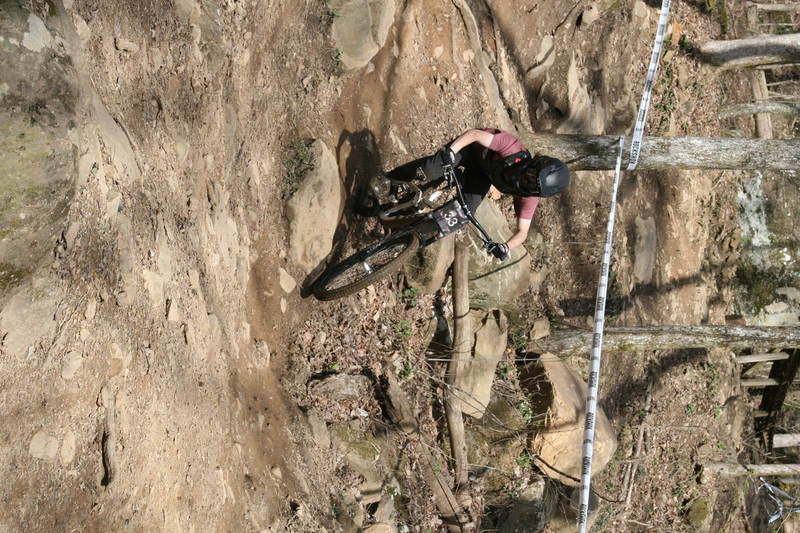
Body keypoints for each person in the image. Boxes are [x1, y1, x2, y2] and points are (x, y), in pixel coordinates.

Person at [385, 128, 570, 260]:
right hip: (470, 150)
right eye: (530, 176)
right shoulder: (512, 148)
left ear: (538, 194)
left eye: (533, 187)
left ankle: (404, 233)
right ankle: (389, 180)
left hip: (481, 177)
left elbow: (522, 232)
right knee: (430, 170)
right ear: (533, 164)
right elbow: (474, 135)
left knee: (461, 215)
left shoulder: (528, 198)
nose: (525, 182)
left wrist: (505, 247)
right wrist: (451, 152)